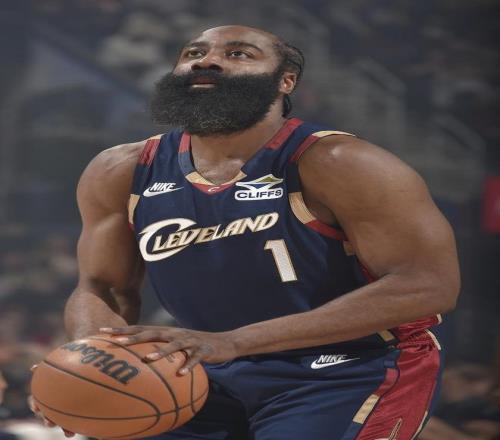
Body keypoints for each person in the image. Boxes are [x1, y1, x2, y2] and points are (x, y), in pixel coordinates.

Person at [33, 25, 460, 439]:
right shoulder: (121, 170)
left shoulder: (339, 161)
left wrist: (235, 342)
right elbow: (102, 287)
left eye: (238, 54)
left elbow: (427, 285)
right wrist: (88, 365)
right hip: (204, 364)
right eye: (194, 53)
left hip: (350, 367)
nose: (208, 61)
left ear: (285, 81)